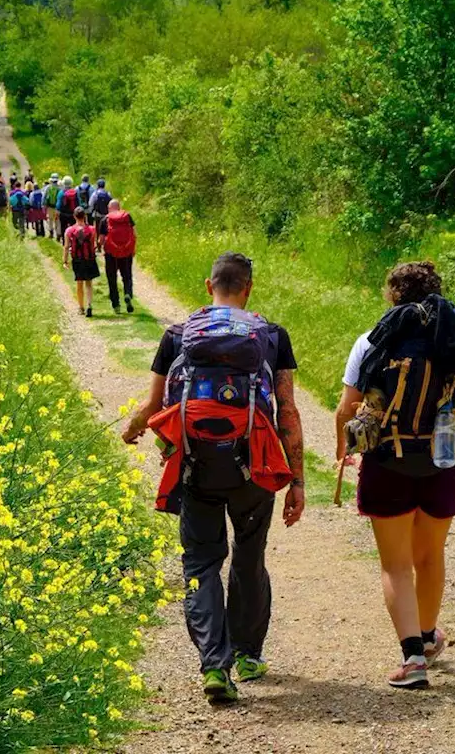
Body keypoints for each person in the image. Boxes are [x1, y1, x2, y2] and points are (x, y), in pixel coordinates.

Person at [123, 252, 306, 705]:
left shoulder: (178, 334)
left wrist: (132, 428)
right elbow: (287, 411)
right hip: (255, 464)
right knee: (249, 554)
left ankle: (215, 667)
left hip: (196, 464)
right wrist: (297, 480)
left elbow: (152, 407)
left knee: (201, 562)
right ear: (248, 287)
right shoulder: (271, 335)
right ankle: (247, 655)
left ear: (210, 286)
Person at [332, 261, 455, 690]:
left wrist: (343, 451)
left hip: (387, 462)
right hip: (442, 466)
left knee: (396, 565)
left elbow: (347, 408)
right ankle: (426, 635)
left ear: (393, 295)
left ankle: (413, 657)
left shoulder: (373, 340)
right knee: (430, 556)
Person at [98, 199, 135, 314]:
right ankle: (127, 293)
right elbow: (134, 234)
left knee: (112, 278)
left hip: (111, 254)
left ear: (109, 208)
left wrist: (101, 247)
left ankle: (116, 305)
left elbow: (101, 240)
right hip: (126, 252)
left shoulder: (105, 220)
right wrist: (132, 248)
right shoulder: (127, 217)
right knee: (127, 276)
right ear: (119, 207)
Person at [63, 207, 99, 317]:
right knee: (88, 283)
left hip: (77, 260)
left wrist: (65, 261)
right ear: (85, 216)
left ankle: (81, 307)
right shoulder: (92, 229)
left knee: (79, 284)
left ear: (74, 216)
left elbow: (66, 247)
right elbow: (95, 244)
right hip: (89, 259)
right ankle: (89, 305)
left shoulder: (69, 230)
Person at [58, 176, 78, 243]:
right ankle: (73, 241)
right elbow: (78, 202)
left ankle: (64, 241)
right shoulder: (75, 192)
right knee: (73, 228)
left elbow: (58, 204)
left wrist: (58, 210)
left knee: (63, 227)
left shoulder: (61, 193)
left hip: (63, 213)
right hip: (73, 213)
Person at [44, 174, 61, 239]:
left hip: (50, 207)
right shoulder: (59, 188)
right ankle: (58, 234)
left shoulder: (48, 187)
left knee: (50, 220)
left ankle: (51, 233)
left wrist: (44, 205)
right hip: (57, 207)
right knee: (57, 221)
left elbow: (44, 197)